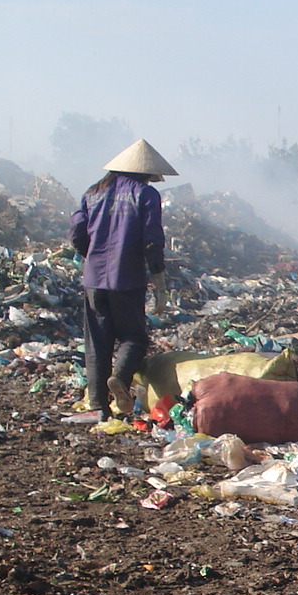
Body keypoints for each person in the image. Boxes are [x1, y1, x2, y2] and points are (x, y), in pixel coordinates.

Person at [69, 139, 176, 416]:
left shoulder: (92, 192)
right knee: (133, 338)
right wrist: (159, 279)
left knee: (97, 342)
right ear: (144, 171)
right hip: (127, 278)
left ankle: (98, 406)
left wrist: (91, 255)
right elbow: (152, 239)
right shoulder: (146, 194)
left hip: (93, 280)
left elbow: (77, 233)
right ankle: (120, 377)